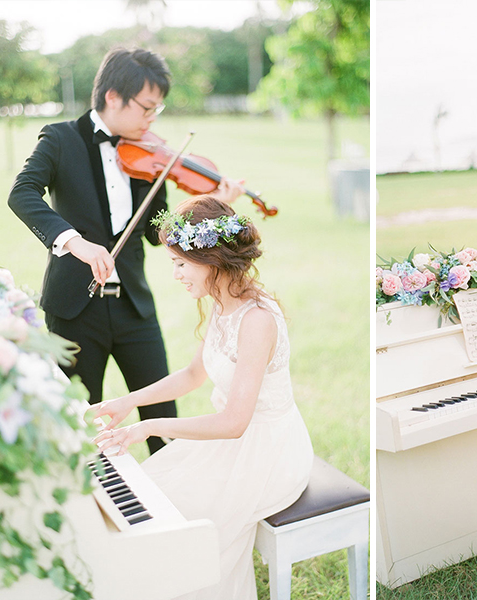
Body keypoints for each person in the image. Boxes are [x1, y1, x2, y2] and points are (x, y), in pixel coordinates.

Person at [7, 48, 243, 453]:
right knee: (77, 420)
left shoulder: (149, 152)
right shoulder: (60, 138)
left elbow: (161, 231)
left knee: (161, 418)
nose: (153, 119)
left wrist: (218, 207)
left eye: (157, 109)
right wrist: (73, 242)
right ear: (114, 96)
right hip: (75, 309)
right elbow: (22, 193)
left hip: (135, 307)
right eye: (147, 108)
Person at [91, 195, 313, 600]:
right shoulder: (222, 303)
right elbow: (193, 374)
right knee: (150, 492)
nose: (175, 274)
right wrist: (129, 401)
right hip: (228, 446)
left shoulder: (257, 320)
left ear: (211, 260)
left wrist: (149, 426)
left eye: (179, 263)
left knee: (180, 529)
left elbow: (234, 422)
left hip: (267, 452)